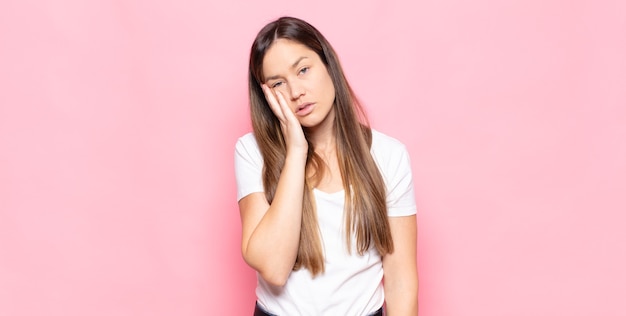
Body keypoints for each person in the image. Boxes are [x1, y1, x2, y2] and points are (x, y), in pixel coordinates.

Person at [234, 16, 418, 316]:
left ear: (328, 65)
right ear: (266, 94)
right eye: (278, 83)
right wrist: (296, 150)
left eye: (303, 70)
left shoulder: (388, 155)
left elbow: (401, 281)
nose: (295, 92)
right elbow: (274, 267)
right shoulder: (252, 151)